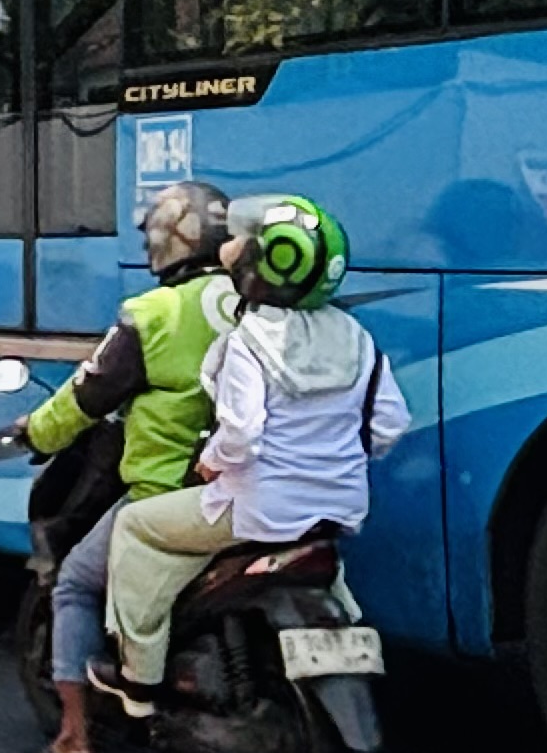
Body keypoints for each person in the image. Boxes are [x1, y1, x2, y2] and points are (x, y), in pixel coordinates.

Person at [94, 195, 409, 713]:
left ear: (265, 266)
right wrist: (333, 460)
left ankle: (139, 678)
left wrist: (212, 462)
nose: (232, 249)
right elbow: (389, 425)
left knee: (136, 528)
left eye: (246, 245)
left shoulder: (250, 340)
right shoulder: (357, 338)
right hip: (339, 507)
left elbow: (241, 434)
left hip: (260, 509)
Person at [10, 181, 237, 753]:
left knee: (76, 585)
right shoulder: (260, 300)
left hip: (164, 495)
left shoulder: (153, 314)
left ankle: (75, 738)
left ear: (169, 241)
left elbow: (87, 395)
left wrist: (37, 430)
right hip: (260, 490)